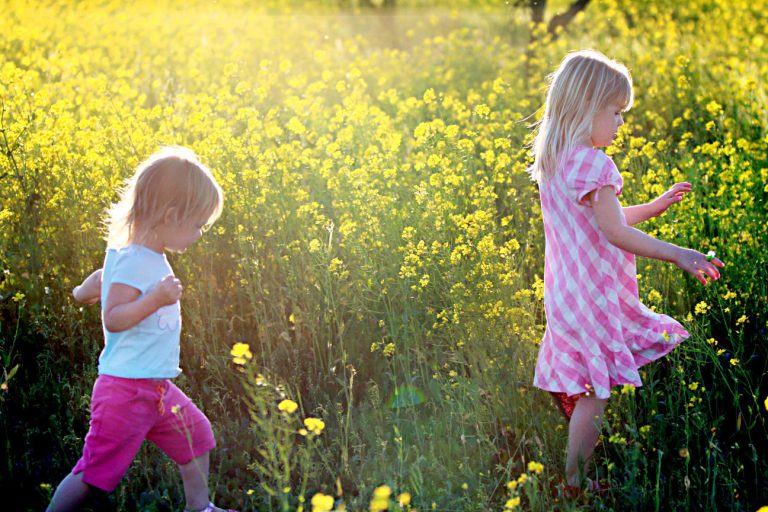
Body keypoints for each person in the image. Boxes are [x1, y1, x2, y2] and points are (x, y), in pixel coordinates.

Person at [528, 50, 724, 491]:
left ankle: (573, 402)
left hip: (566, 293)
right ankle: (575, 483)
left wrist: (653, 207)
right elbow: (613, 232)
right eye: (615, 112)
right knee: (598, 393)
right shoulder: (594, 163)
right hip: (594, 294)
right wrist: (679, 253)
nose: (620, 123)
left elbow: (603, 220)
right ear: (586, 106)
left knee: (590, 374)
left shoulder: (556, 159)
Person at [48, 147, 235, 512]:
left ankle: (200, 507)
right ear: (170, 216)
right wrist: (156, 298)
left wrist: (82, 291)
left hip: (156, 388)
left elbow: (106, 279)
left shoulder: (133, 254)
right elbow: (114, 317)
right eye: (197, 224)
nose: (199, 234)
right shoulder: (136, 258)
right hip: (125, 392)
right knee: (93, 475)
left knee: (197, 436)